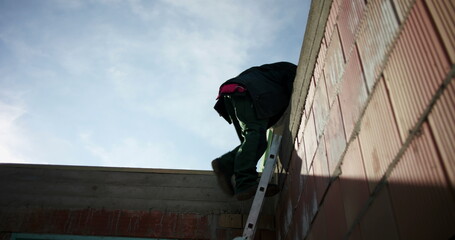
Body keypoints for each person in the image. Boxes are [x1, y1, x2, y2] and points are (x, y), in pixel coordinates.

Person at [212, 62, 297, 201]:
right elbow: (294, 91)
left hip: (234, 93)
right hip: (245, 92)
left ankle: (226, 163)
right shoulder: (291, 70)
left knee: (258, 141)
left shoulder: (272, 73)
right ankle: (245, 183)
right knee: (254, 135)